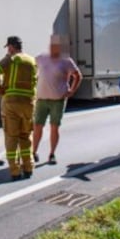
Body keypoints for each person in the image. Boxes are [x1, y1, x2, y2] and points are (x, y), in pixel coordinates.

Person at [0, 36, 37, 181]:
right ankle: (28, 167)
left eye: (8, 47)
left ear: (11, 47)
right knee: (25, 135)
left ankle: (15, 171)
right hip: (29, 103)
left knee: (12, 136)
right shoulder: (32, 60)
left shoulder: (10, 59)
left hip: (12, 102)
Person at [32, 34, 82, 165]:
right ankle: (33, 152)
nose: (54, 48)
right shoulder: (41, 58)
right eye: (52, 45)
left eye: (56, 45)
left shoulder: (66, 61)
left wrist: (71, 90)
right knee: (37, 126)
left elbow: (78, 76)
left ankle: (52, 154)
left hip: (58, 100)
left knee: (54, 127)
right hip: (41, 99)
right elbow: (31, 69)